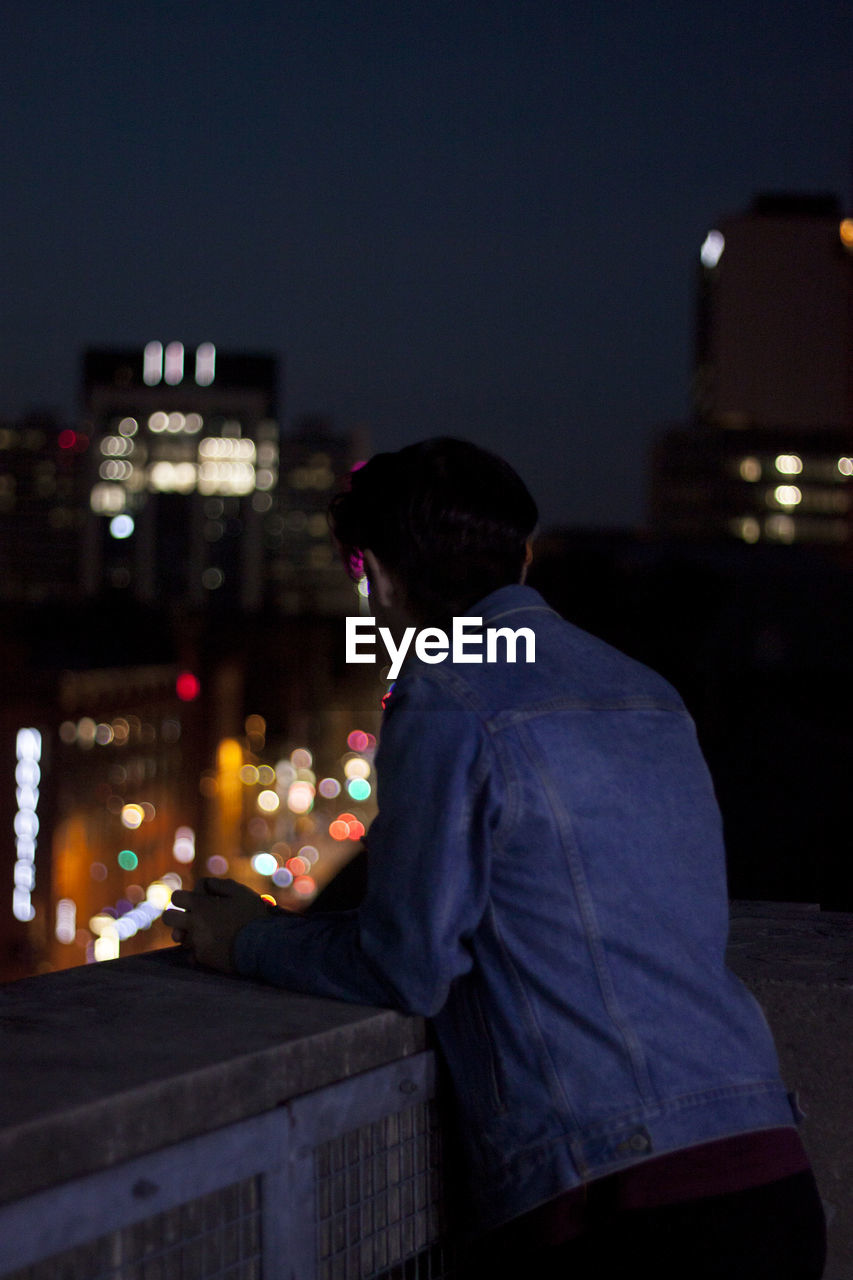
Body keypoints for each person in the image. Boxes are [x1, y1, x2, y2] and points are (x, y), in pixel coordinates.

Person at [165, 438, 826, 1278]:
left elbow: (409, 964)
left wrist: (245, 940)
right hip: (766, 1171)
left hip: (623, 1204)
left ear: (379, 576)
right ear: (520, 556)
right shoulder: (642, 688)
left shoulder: (444, 692)